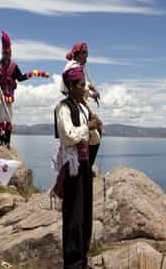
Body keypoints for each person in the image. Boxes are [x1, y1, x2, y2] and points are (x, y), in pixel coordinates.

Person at [53, 65, 101, 269]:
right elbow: (68, 135)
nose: (84, 88)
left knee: (85, 216)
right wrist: (87, 127)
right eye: (81, 85)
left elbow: (91, 139)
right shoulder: (63, 108)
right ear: (71, 86)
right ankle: (73, 264)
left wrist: (95, 128)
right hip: (72, 170)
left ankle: (82, 260)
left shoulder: (81, 107)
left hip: (83, 167)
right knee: (73, 217)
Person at [0, 30, 46, 147]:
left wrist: (33, 73)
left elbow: (20, 78)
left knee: (9, 117)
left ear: (11, 53)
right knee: (0, 117)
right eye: (5, 53)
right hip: (0, 95)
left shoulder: (14, 67)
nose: (7, 54)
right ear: (3, 54)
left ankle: (7, 141)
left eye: (8, 52)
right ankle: (1, 140)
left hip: (9, 96)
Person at [62, 42, 102, 171]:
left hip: (81, 103)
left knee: (95, 134)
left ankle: (86, 167)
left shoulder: (78, 67)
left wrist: (91, 92)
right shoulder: (72, 67)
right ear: (79, 54)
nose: (87, 58)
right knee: (92, 134)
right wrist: (91, 93)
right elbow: (77, 87)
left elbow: (82, 87)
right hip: (75, 104)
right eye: (85, 54)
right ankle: (85, 167)